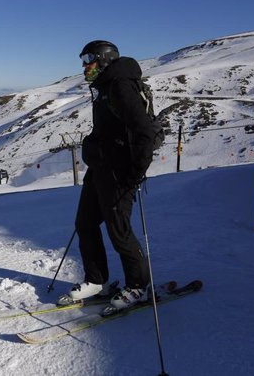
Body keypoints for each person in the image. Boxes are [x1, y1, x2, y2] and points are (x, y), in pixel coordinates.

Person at [57, 40, 157, 312]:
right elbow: (107, 130)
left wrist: (134, 174)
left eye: (89, 58)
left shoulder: (120, 86)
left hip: (119, 173)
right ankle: (96, 280)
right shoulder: (103, 88)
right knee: (85, 223)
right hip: (100, 170)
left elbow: (145, 133)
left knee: (119, 231)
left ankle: (138, 285)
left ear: (104, 59)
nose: (84, 65)